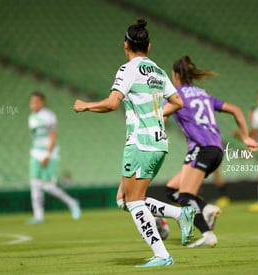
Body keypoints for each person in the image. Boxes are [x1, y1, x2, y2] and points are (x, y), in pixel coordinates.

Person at [74, 19, 195, 268]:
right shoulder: (158, 71)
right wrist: (157, 115)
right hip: (159, 143)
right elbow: (178, 102)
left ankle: (162, 254)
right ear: (149, 46)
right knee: (124, 199)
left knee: (134, 202)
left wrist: (85, 105)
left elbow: (111, 103)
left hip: (140, 143)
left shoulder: (128, 69)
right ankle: (179, 213)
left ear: (125, 45)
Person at [163, 56, 258, 247]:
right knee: (171, 190)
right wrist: (246, 137)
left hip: (201, 149)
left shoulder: (176, 95)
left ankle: (207, 233)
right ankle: (206, 209)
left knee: (184, 197)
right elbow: (235, 109)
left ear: (175, 75)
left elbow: (161, 115)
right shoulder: (203, 94)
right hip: (216, 150)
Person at [28, 92, 81, 224]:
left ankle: (72, 202)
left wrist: (47, 154)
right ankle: (38, 216)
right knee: (34, 183)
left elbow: (52, 136)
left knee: (48, 186)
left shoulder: (48, 115)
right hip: (35, 153)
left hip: (49, 153)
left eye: (36, 101)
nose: (33, 104)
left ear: (42, 102)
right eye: (32, 102)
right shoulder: (31, 118)